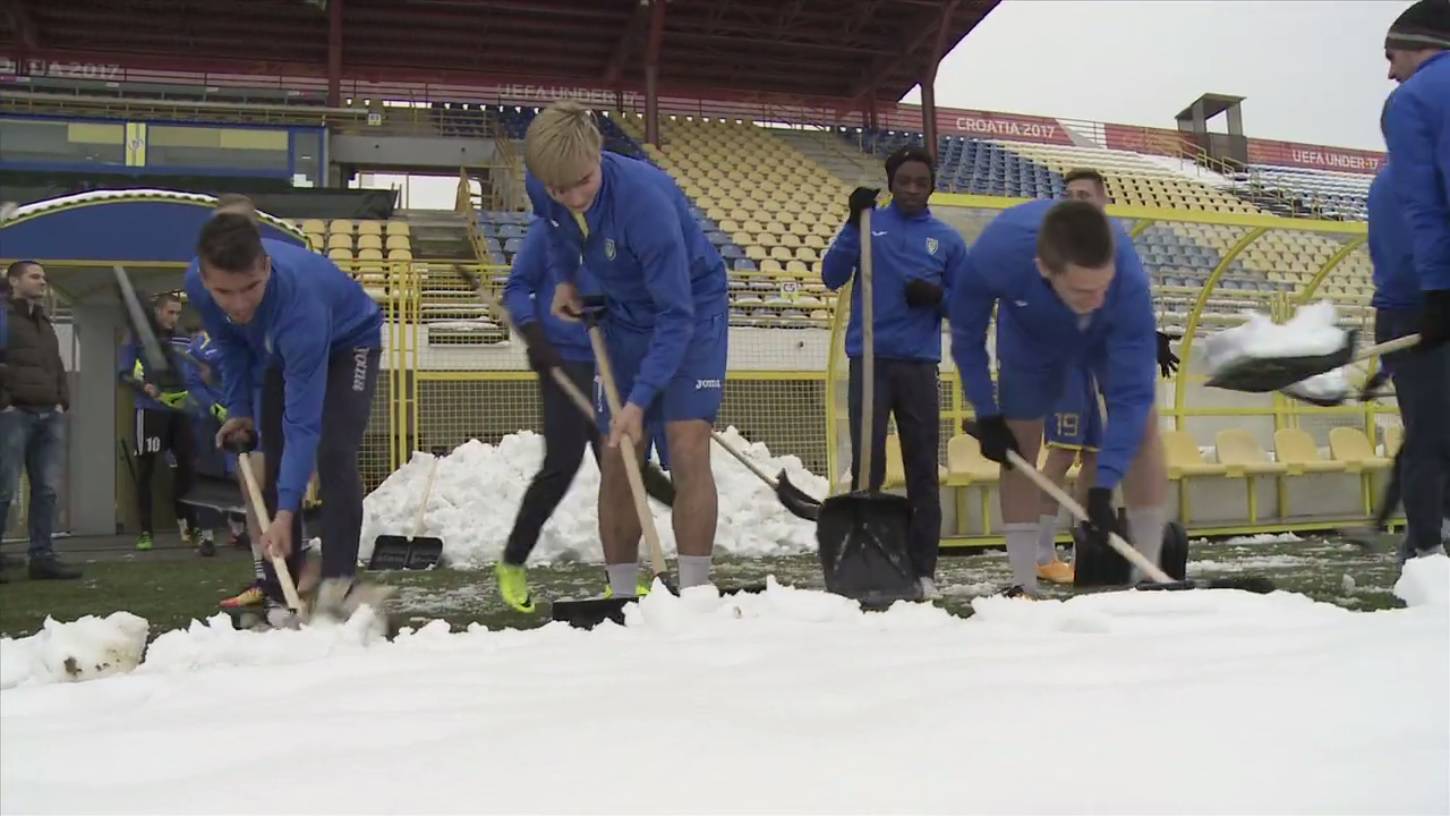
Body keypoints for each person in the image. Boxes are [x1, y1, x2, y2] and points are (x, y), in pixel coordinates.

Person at [523, 99, 729, 597]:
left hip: (690, 311)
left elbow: (676, 317)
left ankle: (696, 594)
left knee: (685, 443)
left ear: (598, 155)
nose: (572, 197)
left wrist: (639, 401)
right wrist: (567, 281)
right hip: (622, 313)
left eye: (583, 183)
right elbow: (554, 232)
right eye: (559, 188)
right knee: (618, 451)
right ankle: (619, 595)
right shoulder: (546, 181)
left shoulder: (645, 203)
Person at [950, 200, 1168, 596]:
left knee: (1146, 424)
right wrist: (987, 413)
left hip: (1104, 333)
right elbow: (966, 338)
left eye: (1103, 285)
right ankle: (1024, 581)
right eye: (1086, 289)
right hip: (1030, 332)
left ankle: (1152, 574)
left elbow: (1132, 398)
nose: (1097, 296)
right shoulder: (995, 254)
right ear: (1045, 269)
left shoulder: (1125, 283)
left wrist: (1103, 486)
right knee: (1020, 439)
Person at [186, 212, 382, 619]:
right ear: (204, 280)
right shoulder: (198, 287)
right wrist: (239, 410)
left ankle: (338, 583)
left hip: (350, 343)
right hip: (277, 350)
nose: (239, 304)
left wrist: (287, 511)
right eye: (225, 292)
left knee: (333, 452)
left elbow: (303, 424)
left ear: (267, 268)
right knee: (271, 456)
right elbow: (231, 344)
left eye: (251, 288)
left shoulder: (300, 310)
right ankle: (283, 585)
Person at [820, 145, 967, 596]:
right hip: (870, 362)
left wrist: (937, 298)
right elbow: (831, 275)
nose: (911, 190)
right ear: (891, 182)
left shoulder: (947, 240)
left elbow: (968, 306)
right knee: (869, 466)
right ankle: (865, 566)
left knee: (923, 469)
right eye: (903, 181)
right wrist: (851, 223)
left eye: (921, 183)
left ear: (931, 186)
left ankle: (923, 569)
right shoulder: (869, 226)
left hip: (919, 367)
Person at [1033, 169, 1179, 583]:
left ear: (1103, 200)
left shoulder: (1117, 243)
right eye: (1069, 194)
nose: (1076, 200)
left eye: (1084, 194)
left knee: (1094, 456)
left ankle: (1087, 545)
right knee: (1062, 451)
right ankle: (1041, 552)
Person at [1369, 84, 1450, 561]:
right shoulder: (1400, 184)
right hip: (1417, 312)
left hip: (1416, 313)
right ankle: (1424, 544)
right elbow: (1405, 261)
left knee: (1436, 430)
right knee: (1429, 434)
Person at [0, 261, 81, 580]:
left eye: (44, 277)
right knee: (4, 488)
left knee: (47, 490)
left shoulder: (43, 322)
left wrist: (63, 400)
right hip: (15, 413)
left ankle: (42, 557)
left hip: (49, 413)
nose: (42, 282)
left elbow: (56, 364)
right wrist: (4, 404)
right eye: (35, 276)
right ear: (15, 281)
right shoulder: (5, 318)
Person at [117, 292, 200, 552]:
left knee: (186, 467)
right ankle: (145, 531)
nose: (174, 318)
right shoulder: (136, 336)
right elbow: (123, 373)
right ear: (157, 312)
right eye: (170, 312)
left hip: (180, 410)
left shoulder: (184, 336)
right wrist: (144, 386)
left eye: (178, 313)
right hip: (150, 409)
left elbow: (192, 370)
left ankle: (188, 525)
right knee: (147, 470)